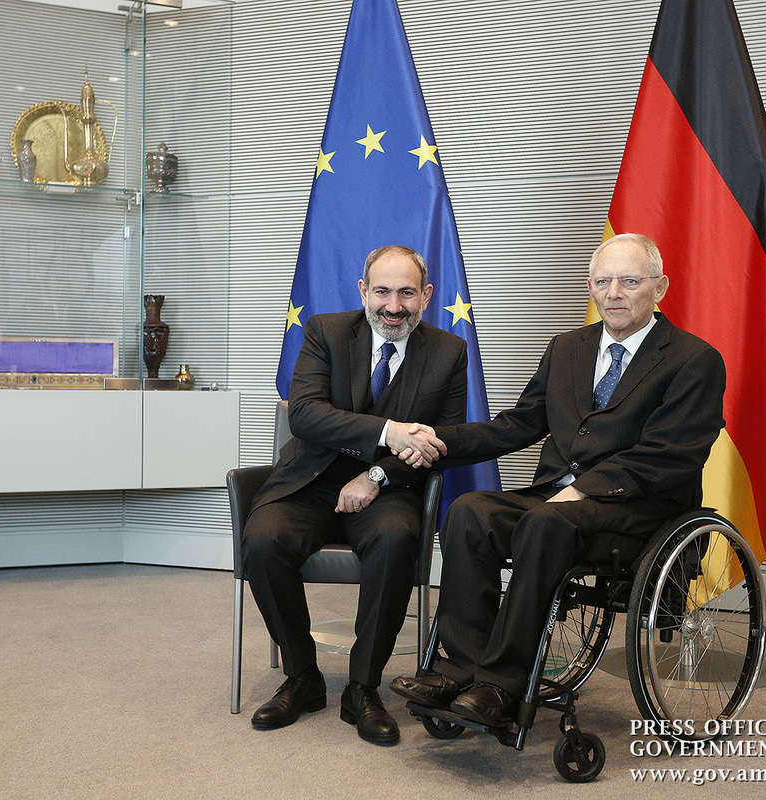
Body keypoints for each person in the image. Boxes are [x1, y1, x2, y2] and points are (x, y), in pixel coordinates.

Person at [389, 232, 726, 727]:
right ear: (590, 287)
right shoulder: (567, 347)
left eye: (630, 282)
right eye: (603, 281)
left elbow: (671, 454)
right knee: (469, 512)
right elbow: (519, 424)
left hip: (639, 509)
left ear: (660, 288)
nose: (614, 293)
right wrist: (439, 438)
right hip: (555, 500)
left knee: (546, 522)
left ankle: (501, 685)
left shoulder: (694, 360)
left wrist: (584, 488)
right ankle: (459, 669)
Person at [242, 245, 466, 744]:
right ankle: (302, 677)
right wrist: (389, 432)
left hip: (388, 488)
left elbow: (442, 441)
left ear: (426, 295)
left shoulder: (448, 351)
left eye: (406, 293)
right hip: (311, 481)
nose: (394, 306)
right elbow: (305, 414)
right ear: (363, 292)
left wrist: (376, 476)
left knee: (396, 542)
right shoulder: (325, 331)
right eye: (382, 292)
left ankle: (362, 687)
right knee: (263, 540)